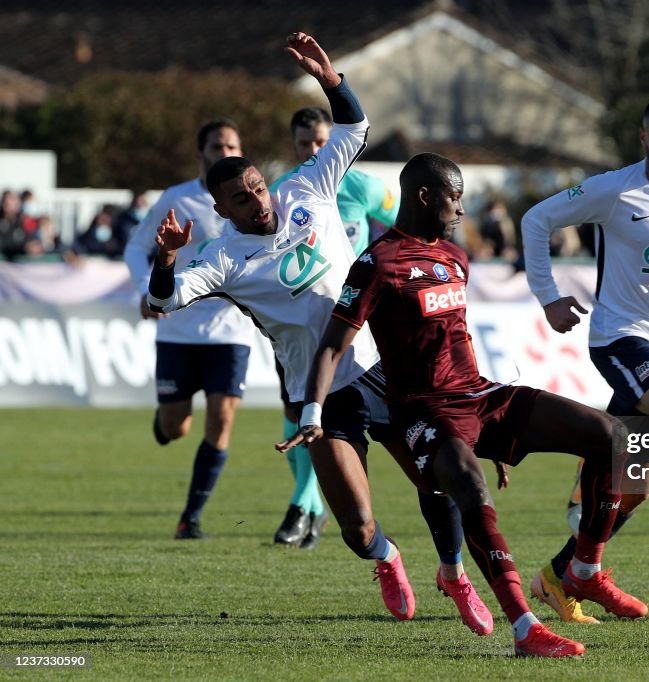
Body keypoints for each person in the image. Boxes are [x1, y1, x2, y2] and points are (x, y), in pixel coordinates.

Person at [147, 32, 491, 635]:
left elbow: (354, 129)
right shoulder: (222, 259)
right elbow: (161, 300)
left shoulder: (305, 187)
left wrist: (332, 83)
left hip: (384, 367)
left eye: (255, 186)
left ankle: (453, 572)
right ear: (221, 211)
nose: (256, 202)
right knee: (358, 529)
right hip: (322, 391)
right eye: (239, 199)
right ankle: (388, 558)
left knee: (438, 478)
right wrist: (168, 258)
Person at [284, 151, 648, 658]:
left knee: (615, 438)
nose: (461, 209)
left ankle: (583, 568)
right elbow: (331, 345)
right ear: (424, 196)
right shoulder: (377, 263)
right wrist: (311, 412)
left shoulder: (456, 257)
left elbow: (456, 337)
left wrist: (494, 437)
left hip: (480, 395)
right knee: (469, 488)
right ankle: (524, 628)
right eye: (454, 197)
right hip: (424, 413)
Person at [519, 95, 649, 623]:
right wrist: (548, 296)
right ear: (643, 138)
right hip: (619, 336)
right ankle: (586, 568)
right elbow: (536, 220)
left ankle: (558, 577)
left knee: (634, 485)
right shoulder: (615, 189)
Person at [266, 105, 400, 548]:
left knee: (359, 419)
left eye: (321, 142)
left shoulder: (363, 186)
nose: (313, 150)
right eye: (304, 143)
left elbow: (407, 223)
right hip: (304, 324)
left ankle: (305, 504)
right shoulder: (285, 193)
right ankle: (311, 501)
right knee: (299, 413)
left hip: (359, 319)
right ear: (294, 145)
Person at [124, 118, 252, 540]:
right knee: (177, 426)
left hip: (230, 331)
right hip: (177, 330)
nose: (225, 154)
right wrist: (148, 289)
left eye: (232, 146)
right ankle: (164, 423)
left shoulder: (252, 200)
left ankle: (190, 517)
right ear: (201, 155)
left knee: (222, 418)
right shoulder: (177, 199)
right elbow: (136, 247)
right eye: (217, 147)